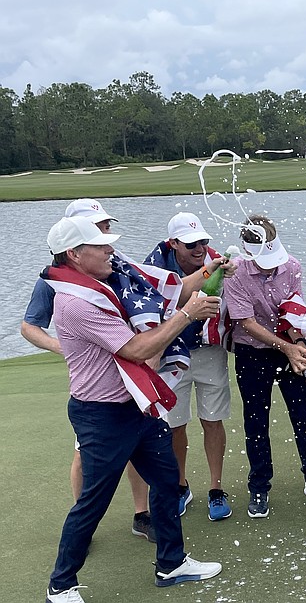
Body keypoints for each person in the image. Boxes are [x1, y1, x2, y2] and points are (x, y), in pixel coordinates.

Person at [43, 216, 222, 603]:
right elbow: (137, 350)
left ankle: (171, 564)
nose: (111, 250)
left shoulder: (99, 285)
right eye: (100, 246)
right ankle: (60, 586)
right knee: (94, 499)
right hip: (101, 414)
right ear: (74, 254)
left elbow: (158, 291)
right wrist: (187, 315)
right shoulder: (75, 302)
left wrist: (202, 277)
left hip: (135, 405)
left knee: (166, 482)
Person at [21, 198, 154, 542]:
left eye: (106, 226)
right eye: (99, 228)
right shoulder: (54, 279)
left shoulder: (114, 266)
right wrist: (64, 346)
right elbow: (29, 326)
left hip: (132, 376)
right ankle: (83, 527)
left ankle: (143, 514)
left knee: (136, 447)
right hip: (95, 385)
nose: (107, 233)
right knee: (85, 454)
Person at [222, 215, 306, 516]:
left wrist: (298, 343)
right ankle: (259, 486)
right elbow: (246, 323)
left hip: (287, 347)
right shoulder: (234, 274)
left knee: (303, 416)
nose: (272, 266)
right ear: (248, 251)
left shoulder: (291, 265)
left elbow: (292, 308)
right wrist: (288, 347)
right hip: (252, 353)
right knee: (256, 421)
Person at [145, 212, 234, 521]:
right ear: (173, 244)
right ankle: (181, 485)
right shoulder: (153, 266)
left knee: (212, 420)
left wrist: (227, 271)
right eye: (192, 243)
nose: (200, 249)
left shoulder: (216, 261)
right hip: (171, 353)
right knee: (174, 425)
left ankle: (216, 488)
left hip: (209, 351)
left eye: (204, 241)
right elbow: (160, 297)